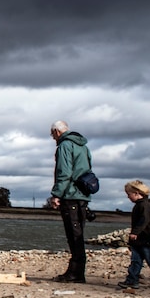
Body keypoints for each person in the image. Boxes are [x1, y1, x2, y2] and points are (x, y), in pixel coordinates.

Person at [48, 121, 92, 283]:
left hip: (70, 194)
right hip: (82, 195)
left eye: (52, 134)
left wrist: (56, 194)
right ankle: (77, 271)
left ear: (57, 132)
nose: (52, 138)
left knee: (73, 235)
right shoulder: (83, 146)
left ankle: (75, 273)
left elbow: (64, 172)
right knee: (78, 233)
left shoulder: (65, 146)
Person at [117, 180, 150, 290]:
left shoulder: (144, 205)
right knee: (136, 261)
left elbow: (144, 220)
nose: (128, 197)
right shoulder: (140, 205)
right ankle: (132, 280)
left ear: (136, 193)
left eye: (129, 194)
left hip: (147, 239)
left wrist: (135, 232)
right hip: (140, 240)